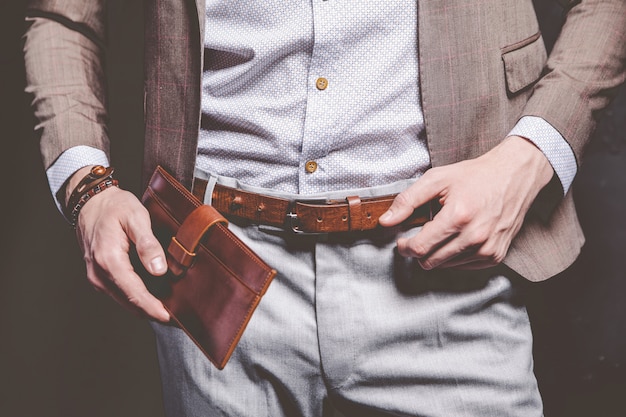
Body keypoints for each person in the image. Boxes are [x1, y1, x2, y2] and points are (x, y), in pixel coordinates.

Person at [23, 0, 626, 416]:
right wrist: (86, 186)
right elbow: (60, 17)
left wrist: (533, 155)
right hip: (214, 268)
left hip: (445, 260)